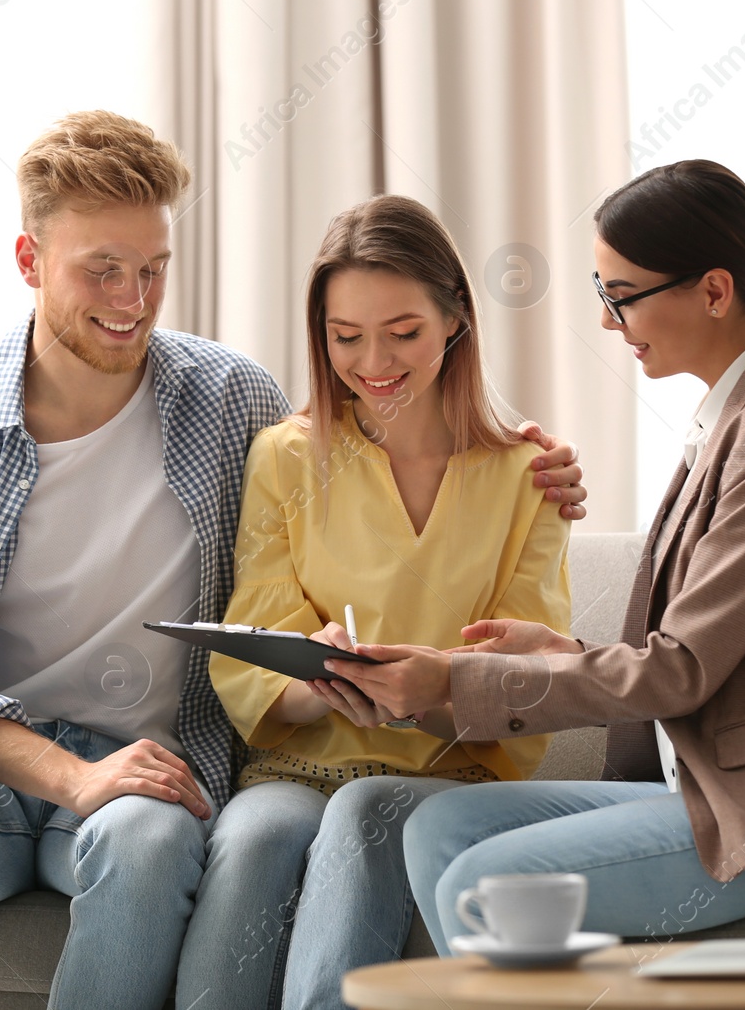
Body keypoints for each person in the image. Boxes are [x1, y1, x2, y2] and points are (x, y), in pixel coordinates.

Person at [0, 111, 590, 1009]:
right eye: (102, 269)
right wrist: (70, 775)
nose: (132, 297)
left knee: (151, 835)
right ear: (29, 261)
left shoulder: (228, 396)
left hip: (145, 763)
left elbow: (371, 423)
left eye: (152, 269)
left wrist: (524, 445)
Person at [326, 160, 745, 951]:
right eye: (602, 295)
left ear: (715, 291)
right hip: (709, 785)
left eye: (621, 297)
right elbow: (704, 653)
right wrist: (565, 655)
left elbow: (682, 667)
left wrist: (451, 677)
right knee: (434, 825)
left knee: (485, 884)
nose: (610, 323)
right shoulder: (739, 417)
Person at [174, 195, 572, 1009]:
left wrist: (430, 688)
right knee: (253, 838)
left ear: (456, 317)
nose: (374, 360)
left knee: (369, 807)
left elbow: (535, 672)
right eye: (345, 336)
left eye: (404, 331)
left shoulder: (525, 475)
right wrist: (311, 681)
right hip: (297, 760)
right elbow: (253, 642)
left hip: (449, 769)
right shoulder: (287, 457)